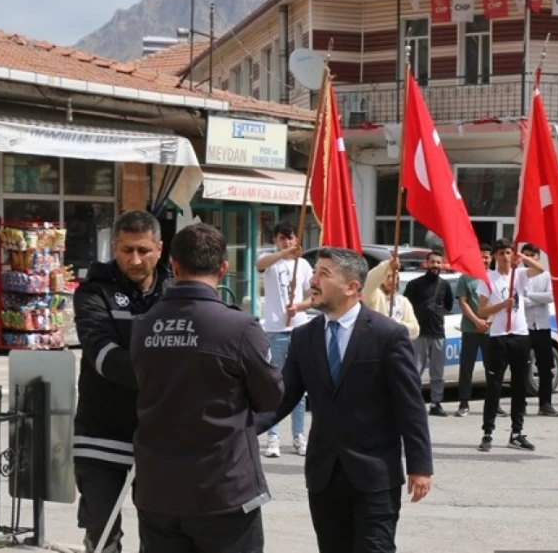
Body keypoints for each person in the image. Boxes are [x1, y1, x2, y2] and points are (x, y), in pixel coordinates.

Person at [256, 247, 433, 553]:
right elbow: (282, 398)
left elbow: (411, 406)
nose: (313, 280)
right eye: (314, 272)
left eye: (324, 274)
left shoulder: (387, 335)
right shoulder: (304, 337)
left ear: (352, 287)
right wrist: (237, 430)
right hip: (324, 476)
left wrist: (420, 465)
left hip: (375, 475)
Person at [130, 223, 284, 553]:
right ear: (223, 268)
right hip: (223, 492)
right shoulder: (238, 326)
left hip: (158, 490)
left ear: (172, 264)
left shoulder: (144, 324)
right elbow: (271, 396)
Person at [72, 210, 172, 553]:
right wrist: (166, 382)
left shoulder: (175, 293)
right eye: (127, 249)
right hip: (100, 436)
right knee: (101, 538)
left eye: (143, 250)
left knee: (162, 536)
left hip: (159, 439)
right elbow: (103, 355)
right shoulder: (92, 292)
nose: (135, 259)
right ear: (114, 248)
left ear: (159, 249)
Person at [476, 239, 545, 451]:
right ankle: (488, 433)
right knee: (494, 386)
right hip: (499, 336)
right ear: (495, 256)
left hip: (520, 335)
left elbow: (540, 268)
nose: (505, 257)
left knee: (519, 386)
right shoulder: (488, 279)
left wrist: (521, 257)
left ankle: (516, 433)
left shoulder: (520, 275)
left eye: (508, 253)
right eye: (502, 253)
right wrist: (501, 306)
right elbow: (482, 311)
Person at [255, 221, 313, 458]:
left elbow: (314, 297)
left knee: (298, 387)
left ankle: (299, 436)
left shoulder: (305, 265)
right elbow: (259, 264)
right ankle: (273, 436)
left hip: (298, 329)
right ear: (276, 240)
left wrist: (298, 306)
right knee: (275, 385)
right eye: (282, 238)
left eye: (291, 239)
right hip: (275, 330)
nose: (287, 242)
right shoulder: (271, 260)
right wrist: (282, 254)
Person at [403, 250, 454, 416]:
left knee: (437, 372)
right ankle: (413, 404)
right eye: (433, 262)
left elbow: (448, 306)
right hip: (419, 334)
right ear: (426, 263)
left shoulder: (445, 285)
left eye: (438, 263)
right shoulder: (414, 284)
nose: (435, 266)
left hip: (438, 333)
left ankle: (436, 403)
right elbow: (406, 306)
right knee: (416, 371)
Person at [456, 244, 494, 417]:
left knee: (492, 368)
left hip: (491, 330)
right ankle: (464, 403)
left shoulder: (494, 278)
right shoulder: (466, 278)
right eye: (481, 257)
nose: (484, 260)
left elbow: (499, 303)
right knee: (466, 367)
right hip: (470, 329)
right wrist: (477, 321)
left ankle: (493, 404)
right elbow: (463, 302)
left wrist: (489, 321)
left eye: (486, 257)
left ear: (491, 258)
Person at [522, 244, 558, 417]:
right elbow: (518, 300)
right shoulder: (519, 276)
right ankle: (519, 402)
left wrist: (529, 296)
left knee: (545, 367)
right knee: (520, 365)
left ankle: (545, 403)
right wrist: (535, 299)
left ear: (538, 257)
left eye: (532, 256)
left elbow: (551, 296)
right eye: (525, 255)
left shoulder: (545, 276)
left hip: (543, 327)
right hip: (523, 327)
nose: (528, 259)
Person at [363, 256, 420, 339]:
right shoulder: (374, 295)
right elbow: (368, 281)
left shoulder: (403, 302)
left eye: (393, 276)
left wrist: (396, 324)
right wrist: (388, 265)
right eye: (387, 276)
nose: (390, 280)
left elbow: (415, 330)